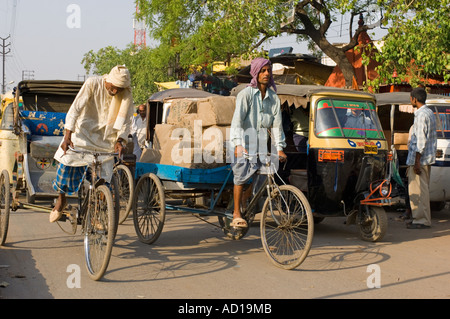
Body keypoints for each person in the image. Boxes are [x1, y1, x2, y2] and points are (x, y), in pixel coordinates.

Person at [50, 65, 135, 223]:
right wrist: (67, 135)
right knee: (66, 165)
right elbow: (75, 108)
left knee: (104, 182)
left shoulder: (125, 94)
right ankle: (61, 200)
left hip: (105, 141)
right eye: (113, 87)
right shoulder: (92, 83)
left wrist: (120, 140)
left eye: (119, 89)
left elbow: (126, 121)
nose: (115, 91)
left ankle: (98, 215)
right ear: (108, 80)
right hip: (82, 136)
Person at [230, 57, 287, 228]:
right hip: (243, 144)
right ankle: (236, 213)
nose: (267, 74)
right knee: (240, 176)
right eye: (263, 71)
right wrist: (238, 144)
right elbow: (237, 121)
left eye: (269, 70)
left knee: (265, 177)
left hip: (261, 146)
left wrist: (280, 148)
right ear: (256, 73)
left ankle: (247, 198)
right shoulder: (246, 95)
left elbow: (277, 126)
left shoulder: (273, 99)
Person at [406, 87, 437, 229]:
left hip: (420, 159)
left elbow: (420, 140)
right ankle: (420, 218)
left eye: (411, 98)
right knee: (422, 190)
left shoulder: (421, 115)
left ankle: (421, 220)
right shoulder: (429, 112)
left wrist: (417, 161)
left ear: (414, 99)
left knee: (417, 191)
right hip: (426, 159)